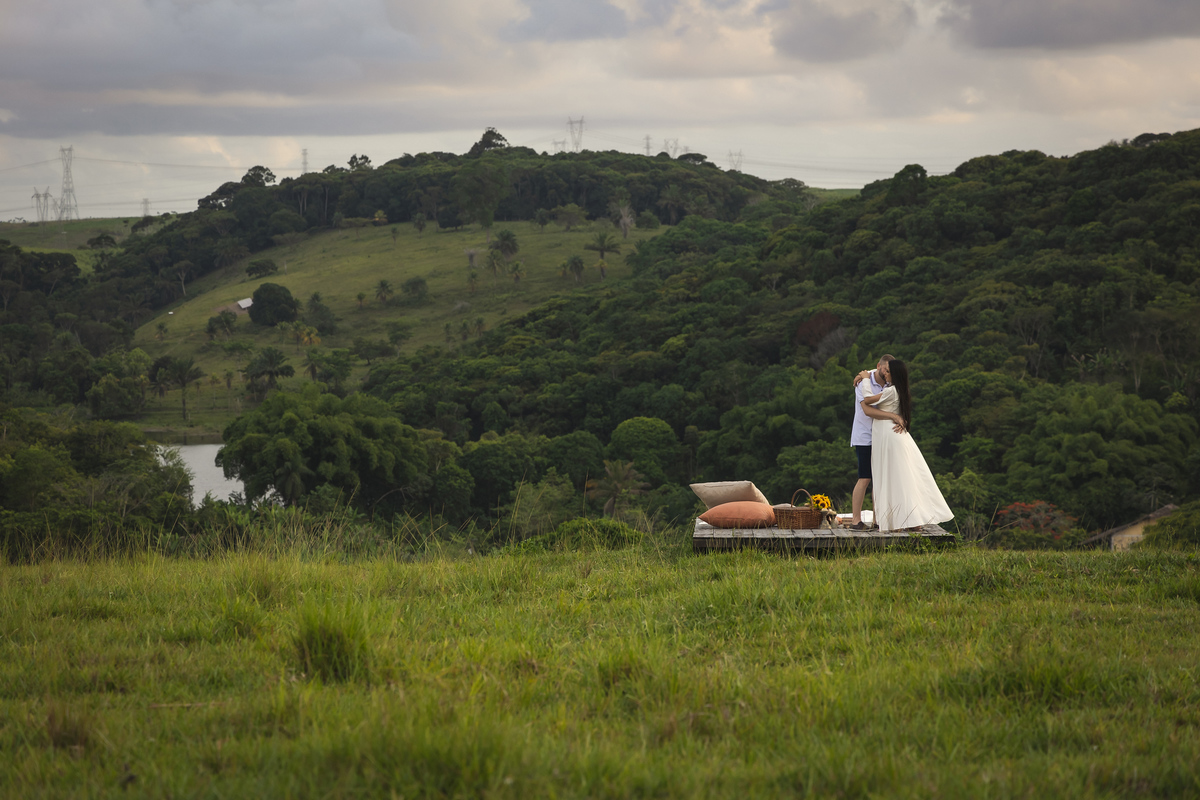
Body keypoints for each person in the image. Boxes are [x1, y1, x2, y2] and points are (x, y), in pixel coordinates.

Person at [860, 359, 953, 532]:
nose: (885, 373)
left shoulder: (891, 391)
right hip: (889, 435)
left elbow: (867, 400)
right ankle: (907, 520)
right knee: (900, 478)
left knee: (893, 478)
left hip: (889, 436)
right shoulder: (899, 390)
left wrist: (865, 379)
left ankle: (899, 521)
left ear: (894, 374)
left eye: (888, 372)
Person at [848, 355, 894, 530]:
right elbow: (867, 410)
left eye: (890, 371)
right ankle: (855, 521)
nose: (887, 373)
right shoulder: (863, 381)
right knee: (865, 477)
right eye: (886, 369)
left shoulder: (892, 382)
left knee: (880, 479)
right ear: (878, 366)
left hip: (883, 435)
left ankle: (878, 520)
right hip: (865, 435)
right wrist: (893, 416)